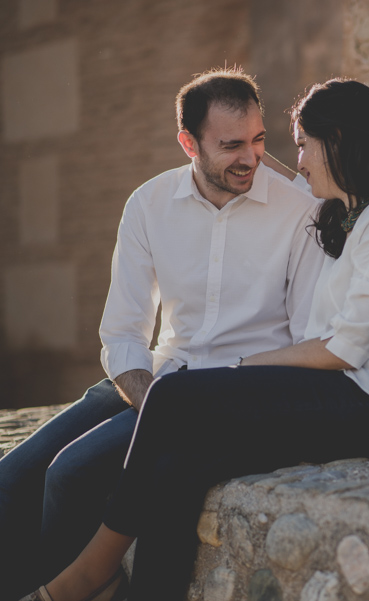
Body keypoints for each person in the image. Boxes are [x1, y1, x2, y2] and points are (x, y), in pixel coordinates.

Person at [21, 78, 369, 601]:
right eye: (239, 144)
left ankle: (88, 574)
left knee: (174, 398)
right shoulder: (357, 215)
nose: (291, 161)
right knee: (182, 463)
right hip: (347, 394)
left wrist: (242, 368)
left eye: (297, 144)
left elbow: (345, 349)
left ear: (336, 140)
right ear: (191, 143)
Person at [0, 68, 324, 600]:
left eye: (259, 139)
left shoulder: (299, 211)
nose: (251, 158)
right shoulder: (148, 205)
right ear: (187, 143)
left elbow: (310, 335)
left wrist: (176, 410)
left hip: (225, 392)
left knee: (70, 475)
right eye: (231, 145)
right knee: (11, 480)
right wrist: (152, 401)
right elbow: (123, 332)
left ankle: (75, 588)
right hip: (154, 376)